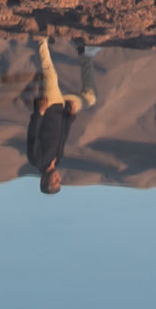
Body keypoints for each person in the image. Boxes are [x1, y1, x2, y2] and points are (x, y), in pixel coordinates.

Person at [22, 35, 97, 194]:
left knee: (49, 73)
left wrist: (39, 113)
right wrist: (70, 117)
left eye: (55, 181)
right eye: (59, 181)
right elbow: (63, 134)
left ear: (44, 181)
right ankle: (85, 53)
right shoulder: (58, 160)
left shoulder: (37, 160)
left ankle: (40, 39)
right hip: (62, 109)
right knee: (90, 98)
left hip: (48, 106)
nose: (59, 178)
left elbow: (32, 136)